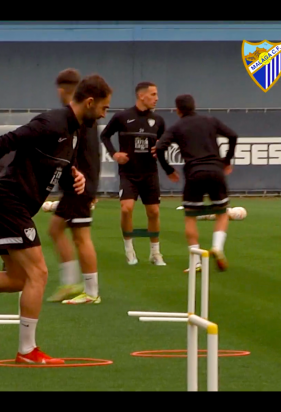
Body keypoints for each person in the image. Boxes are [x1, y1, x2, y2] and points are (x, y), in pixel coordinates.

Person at [0, 74, 113, 364]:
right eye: (104, 107)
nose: (105, 113)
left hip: (13, 205)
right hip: (7, 201)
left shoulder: (74, 131)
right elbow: (3, 142)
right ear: (90, 102)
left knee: (18, 278)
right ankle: (27, 351)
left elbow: (59, 162)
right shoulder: (52, 122)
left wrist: (74, 175)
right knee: (38, 274)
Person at [154, 94, 238, 271]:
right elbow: (233, 135)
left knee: (190, 217)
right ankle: (217, 247)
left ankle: (196, 261)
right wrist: (227, 160)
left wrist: (168, 170)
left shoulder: (177, 127)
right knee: (222, 213)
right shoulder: (210, 120)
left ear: (178, 110)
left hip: (194, 173)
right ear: (195, 105)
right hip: (216, 170)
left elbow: (160, 147)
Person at [46, 68, 101, 305]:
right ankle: (70, 283)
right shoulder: (78, 115)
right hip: (76, 185)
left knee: (81, 238)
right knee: (55, 229)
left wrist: (88, 187)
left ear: (62, 90)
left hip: (79, 185)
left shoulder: (79, 117)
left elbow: (82, 154)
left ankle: (91, 292)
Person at [100, 81, 167, 266]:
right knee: (126, 208)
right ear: (141, 96)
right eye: (153, 94)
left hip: (150, 173)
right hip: (128, 173)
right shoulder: (122, 117)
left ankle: (155, 253)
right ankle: (129, 250)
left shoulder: (158, 120)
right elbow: (104, 135)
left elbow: (164, 140)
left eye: (156, 94)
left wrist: (160, 147)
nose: (156, 98)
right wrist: (114, 154)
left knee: (153, 212)